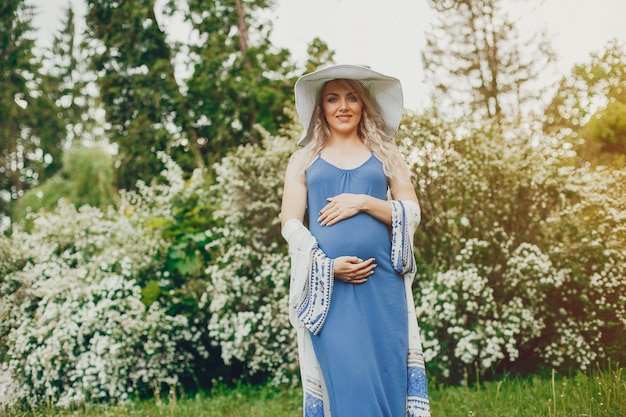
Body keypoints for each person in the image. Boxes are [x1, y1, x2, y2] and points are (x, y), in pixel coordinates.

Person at [280, 64, 431, 417]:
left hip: (383, 291)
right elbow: (290, 223)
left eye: (352, 98)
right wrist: (326, 267)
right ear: (321, 108)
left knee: (388, 383)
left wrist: (362, 201)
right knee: (351, 380)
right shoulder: (303, 159)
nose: (343, 106)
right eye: (333, 98)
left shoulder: (387, 155)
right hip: (329, 294)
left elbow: (412, 210)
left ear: (364, 105)